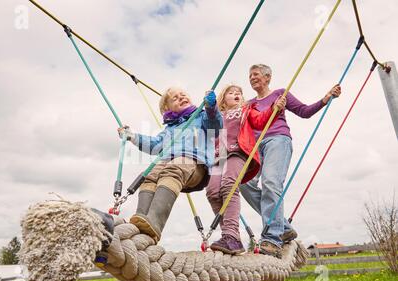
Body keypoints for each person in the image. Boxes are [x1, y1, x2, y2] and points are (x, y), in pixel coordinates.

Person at [239, 64, 342, 258]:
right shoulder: (248, 104)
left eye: (256, 74)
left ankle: (272, 237)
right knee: (244, 183)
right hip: (255, 146)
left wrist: (326, 98)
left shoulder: (280, 94)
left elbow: (304, 111)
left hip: (277, 139)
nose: (252, 78)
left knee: (270, 183)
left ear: (268, 77)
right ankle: (283, 227)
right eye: (250, 75)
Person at [118, 87, 223, 243]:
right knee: (149, 176)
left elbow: (215, 126)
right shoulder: (169, 129)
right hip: (168, 161)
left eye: (183, 94)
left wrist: (211, 107)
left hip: (193, 163)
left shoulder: (201, 117)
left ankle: (155, 221)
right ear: (167, 108)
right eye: (175, 98)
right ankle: (142, 221)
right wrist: (132, 137)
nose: (181, 97)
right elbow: (154, 144)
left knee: (174, 168)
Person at [206, 85, 285, 255]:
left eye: (239, 93)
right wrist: (209, 106)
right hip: (219, 156)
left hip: (238, 152)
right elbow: (210, 121)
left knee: (229, 185)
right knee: (212, 192)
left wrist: (274, 109)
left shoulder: (246, 110)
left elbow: (260, 120)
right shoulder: (218, 115)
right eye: (231, 92)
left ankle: (230, 235)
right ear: (222, 99)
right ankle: (231, 236)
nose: (236, 94)